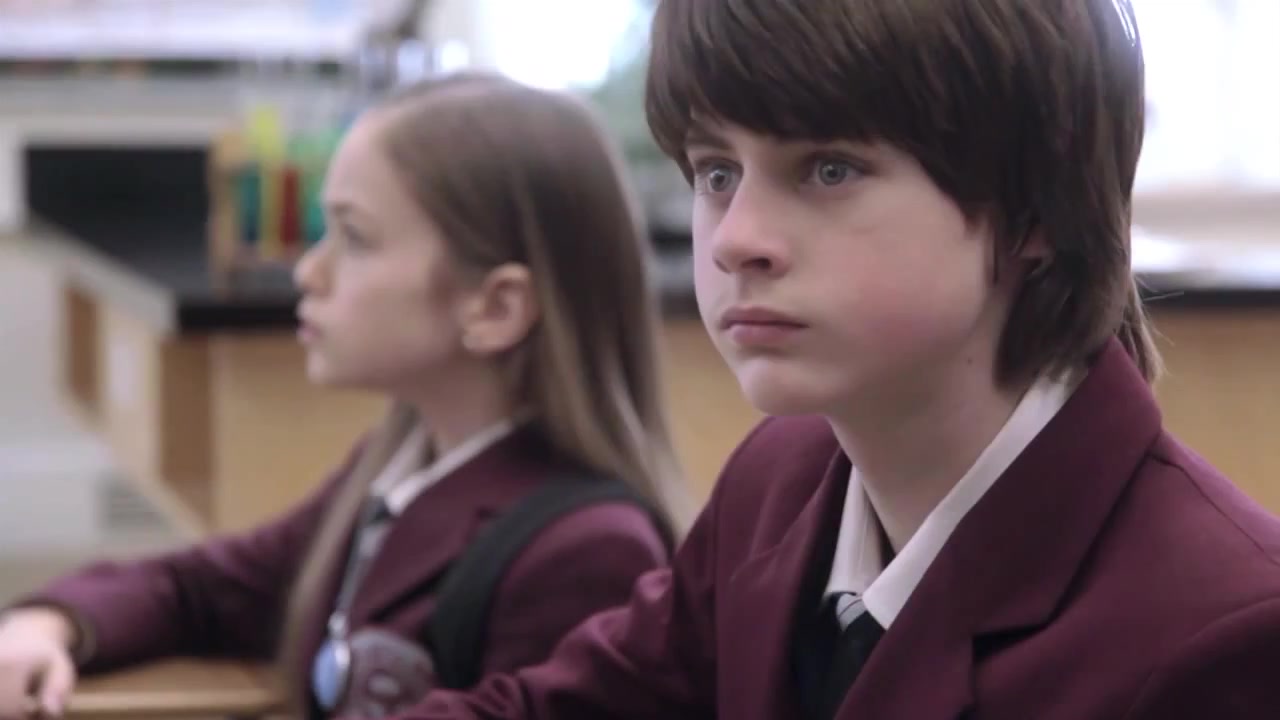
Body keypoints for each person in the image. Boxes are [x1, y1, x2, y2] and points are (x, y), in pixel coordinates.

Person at [369, 1, 1280, 718]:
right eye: (717, 171)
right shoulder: (781, 480)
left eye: (829, 169)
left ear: (1036, 208)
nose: (736, 239)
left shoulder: (1222, 630)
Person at [0, 72, 690, 720]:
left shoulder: (587, 554)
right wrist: (51, 623)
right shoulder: (396, 468)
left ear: (496, 306)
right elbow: (205, 590)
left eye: (354, 238)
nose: (309, 270)